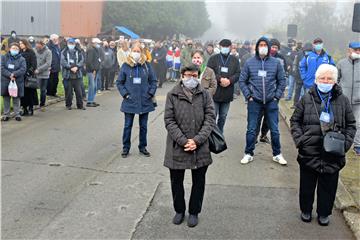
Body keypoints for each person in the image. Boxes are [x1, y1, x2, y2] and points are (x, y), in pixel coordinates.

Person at [290, 64, 356, 226]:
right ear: (316, 79)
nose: (325, 81)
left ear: (335, 81)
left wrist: (345, 145)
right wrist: (300, 140)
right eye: (322, 78)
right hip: (309, 150)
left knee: (328, 185)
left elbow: (351, 125)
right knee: (307, 184)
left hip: (333, 152)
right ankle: (306, 209)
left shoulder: (343, 100)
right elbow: (295, 121)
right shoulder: (306, 98)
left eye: (329, 79)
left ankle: (324, 213)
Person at [164, 64, 216, 228]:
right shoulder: (172, 94)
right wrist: (184, 141)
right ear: (182, 76)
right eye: (188, 75)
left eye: (194, 75)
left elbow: (210, 118)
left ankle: (194, 212)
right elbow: (169, 120)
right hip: (177, 145)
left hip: (200, 146)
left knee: (199, 181)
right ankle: (179, 210)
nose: (191, 79)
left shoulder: (205, 94)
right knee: (176, 181)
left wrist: (197, 140)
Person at [239, 36, 287, 165]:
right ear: (257, 47)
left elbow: (282, 80)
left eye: (265, 45)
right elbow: (242, 80)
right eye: (261, 45)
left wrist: (277, 96)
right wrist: (248, 95)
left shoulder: (276, 63)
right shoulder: (249, 62)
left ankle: (277, 154)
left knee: (275, 130)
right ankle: (248, 153)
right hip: (254, 101)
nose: (263, 47)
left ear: (269, 47)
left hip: (271, 101)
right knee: (251, 128)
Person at [116, 43, 158, 158]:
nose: (136, 53)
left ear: (142, 52)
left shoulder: (147, 66)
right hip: (130, 100)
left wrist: (150, 93)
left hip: (145, 100)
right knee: (127, 125)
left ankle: (143, 147)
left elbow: (154, 81)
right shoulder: (125, 65)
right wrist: (125, 95)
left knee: (143, 126)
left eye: (138, 51)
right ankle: (125, 148)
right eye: (134, 50)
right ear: (130, 51)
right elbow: (119, 82)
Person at [207, 39, 241, 133]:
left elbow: (238, 73)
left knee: (223, 116)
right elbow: (209, 71)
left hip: (227, 92)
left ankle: (219, 133)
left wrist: (230, 81)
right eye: (223, 46)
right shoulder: (213, 58)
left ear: (230, 47)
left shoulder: (234, 60)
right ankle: (211, 134)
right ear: (220, 47)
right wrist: (220, 79)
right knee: (212, 115)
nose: (225, 48)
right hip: (215, 92)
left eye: (227, 47)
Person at [337, 42, 360, 156]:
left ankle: (357, 145)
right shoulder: (341, 63)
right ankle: (341, 142)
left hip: (358, 100)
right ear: (349, 50)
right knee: (342, 122)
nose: (358, 52)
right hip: (343, 99)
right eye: (355, 49)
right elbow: (336, 79)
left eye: (359, 50)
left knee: (358, 123)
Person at [1, 42, 26, 121]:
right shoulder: (4, 57)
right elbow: (1, 68)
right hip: (6, 80)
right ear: (10, 49)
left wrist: (14, 74)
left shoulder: (22, 59)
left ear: (19, 50)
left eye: (16, 49)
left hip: (17, 81)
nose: (14, 50)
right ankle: (6, 114)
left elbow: (23, 69)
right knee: (6, 98)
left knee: (16, 98)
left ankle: (17, 114)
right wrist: (9, 75)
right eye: (13, 48)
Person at [60, 38, 85, 110]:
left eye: (72, 44)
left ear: (75, 44)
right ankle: (68, 105)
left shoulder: (79, 51)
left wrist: (77, 67)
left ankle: (80, 105)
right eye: (70, 43)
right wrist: (70, 68)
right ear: (67, 44)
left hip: (77, 75)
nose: (71, 45)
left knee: (79, 92)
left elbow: (81, 60)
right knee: (68, 92)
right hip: (67, 75)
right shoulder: (64, 52)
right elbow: (63, 62)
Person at [19, 39, 38, 116]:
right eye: (19, 44)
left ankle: (31, 108)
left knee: (30, 93)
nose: (20, 45)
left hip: (29, 76)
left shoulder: (31, 52)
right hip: (21, 76)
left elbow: (34, 64)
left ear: (25, 44)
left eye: (21, 43)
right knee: (22, 94)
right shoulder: (20, 52)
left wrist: (29, 72)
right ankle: (24, 108)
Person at [292, 42, 312, 108]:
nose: (308, 52)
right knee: (297, 91)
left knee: (306, 92)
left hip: (307, 77)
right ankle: (295, 104)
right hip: (299, 76)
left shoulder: (313, 56)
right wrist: (295, 73)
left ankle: (305, 104)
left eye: (309, 50)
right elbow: (296, 63)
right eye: (307, 50)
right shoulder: (299, 53)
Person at [34, 39, 52, 111]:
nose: (37, 47)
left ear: (43, 45)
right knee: (34, 89)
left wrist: (39, 69)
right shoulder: (34, 50)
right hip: (35, 73)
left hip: (44, 74)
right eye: (36, 45)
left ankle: (42, 104)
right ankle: (34, 104)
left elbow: (48, 63)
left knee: (43, 90)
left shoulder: (48, 52)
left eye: (39, 46)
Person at [85, 38, 102, 107]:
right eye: (97, 43)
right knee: (92, 86)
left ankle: (92, 100)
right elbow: (89, 61)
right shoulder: (91, 50)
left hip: (95, 70)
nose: (98, 45)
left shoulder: (95, 49)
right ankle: (89, 101)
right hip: (92, 71)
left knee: (94, 86)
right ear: (94, 43)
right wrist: (93, 70)